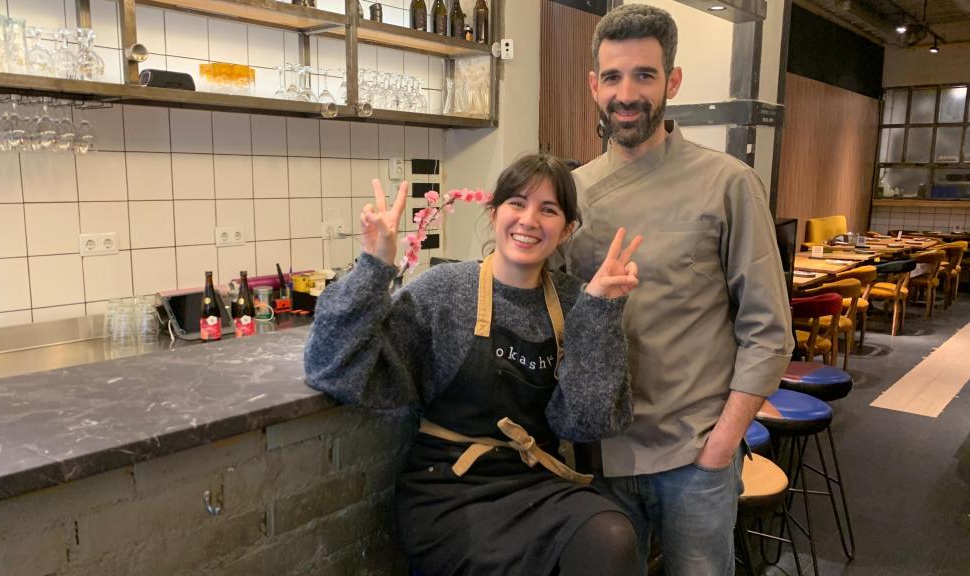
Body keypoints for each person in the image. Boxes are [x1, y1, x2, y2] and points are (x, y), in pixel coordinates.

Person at [304, 154, 644, 576]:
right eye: (517, 203)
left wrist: (598, 314)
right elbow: (330, 368)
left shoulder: (577, 300)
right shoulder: (445, 291)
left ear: (567, 229)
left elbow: (585, 424)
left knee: (610, 536)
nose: (529, 219)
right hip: (449, 488)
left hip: (535, 481)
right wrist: (374, 266)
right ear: (494, 212)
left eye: (549, 209)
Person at [558, 5, 795, 575]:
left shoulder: (728, 183)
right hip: (597, 455)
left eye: (645, 75)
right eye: (613, 77)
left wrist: (722, 445)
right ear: (594, 86)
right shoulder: (572, 192)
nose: (627, 93)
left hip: (692, 454)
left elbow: (769, 331)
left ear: (674, 81)